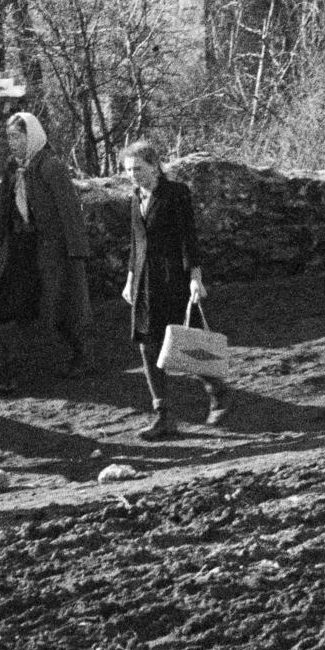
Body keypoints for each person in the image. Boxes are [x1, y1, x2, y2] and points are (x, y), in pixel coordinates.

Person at [121, 138, 230, 439]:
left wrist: (195, 277)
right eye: (129, 170)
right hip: (144, 281)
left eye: (139, 168)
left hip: (172, 279)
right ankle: (163, 414)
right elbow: (135, 242)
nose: (133, 175)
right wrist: (130, 278)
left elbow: (188, 239)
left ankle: (217, 391)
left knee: (185, 340)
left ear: (155, 166)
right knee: (147, 344)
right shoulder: (134, 197)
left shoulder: (175, 194)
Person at [0, 110, 92, 382]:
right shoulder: (12, 168)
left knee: (58, 300)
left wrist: (76, 253)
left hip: (52, 246)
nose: (13, 143)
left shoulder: (50, 167)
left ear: (31, 136)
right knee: (18, 301)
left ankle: (80, 353)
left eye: (18, 137)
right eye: (9, 137)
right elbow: (4, 207)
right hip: (22, 245)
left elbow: (69, 212)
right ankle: (13, 367)